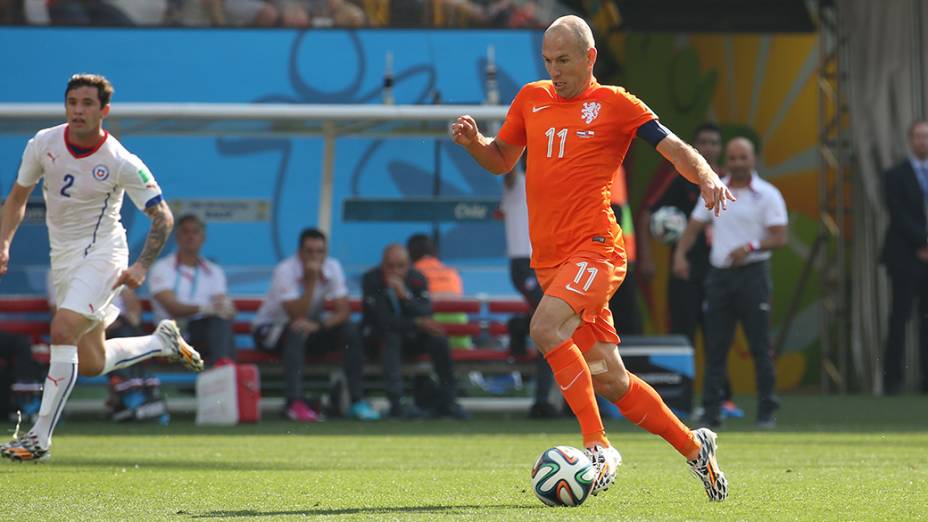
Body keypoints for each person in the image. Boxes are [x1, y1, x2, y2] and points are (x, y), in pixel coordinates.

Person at [451, 15, 733, 501]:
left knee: (544, 329)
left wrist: (706, 176)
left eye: (563, 60)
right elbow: (501, 159)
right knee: (611, 379)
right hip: (550, 260)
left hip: (597, 248)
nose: (554, 70)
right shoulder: (531, 98)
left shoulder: (616, 104)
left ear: (589, 58)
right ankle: (695, 448)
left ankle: (598, 447)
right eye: (548, 61)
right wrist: (475, 143)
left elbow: (674, 149)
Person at [0, 74, 203, 462]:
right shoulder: (43, 143)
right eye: (72, 102)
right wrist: (4, 242)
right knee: (91, 363)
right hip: (63, 257)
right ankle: (160, 342)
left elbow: (162, 217)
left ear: (104, 110)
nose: (78, 109)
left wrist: (141, 266)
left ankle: (39, 438)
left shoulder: (120, 160)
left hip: (105, 254)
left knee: (61, 328)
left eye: (87, 103)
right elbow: (16, 199)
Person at [674, 137, 787, 429]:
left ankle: (766, 411)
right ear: (727, 160)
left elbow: (779, 236)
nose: (738, 163)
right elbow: (693, 227)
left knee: (760, 346)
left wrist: (749, 247)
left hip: (753, 275)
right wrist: (680, 254)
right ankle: (712, 411)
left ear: (754, 160)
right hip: (720, 277)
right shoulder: (714, 189)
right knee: (715, 347)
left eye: (743, 157)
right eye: (733, 158)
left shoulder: (768, 195)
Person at [640, 123, 742, 419]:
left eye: (713, 142)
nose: (708, 147)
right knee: (682, 333)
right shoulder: (680, 177)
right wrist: (646, 257)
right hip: (685, 269)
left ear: (719, 147)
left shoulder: (729, 181)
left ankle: (723, 399)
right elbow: (649, 213)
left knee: (717, 335)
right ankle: (678, 400)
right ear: (694, 145)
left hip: (720, 272)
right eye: (703, 142)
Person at [252, 228, 377, 421]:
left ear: (326, 252)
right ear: (299, 252)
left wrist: (321, 326)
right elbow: (297, 314)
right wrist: (311, 281)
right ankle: (294, 403)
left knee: (350, 330)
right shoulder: (285, 270)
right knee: (297, 328)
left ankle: (356, 400)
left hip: (310, 329)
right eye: (309, 251)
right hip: (270, 332)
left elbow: (343, 311)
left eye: (320, 251)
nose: (314, 257)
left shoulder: (332, 266)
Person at [361, 244, 467, 419]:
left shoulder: (417, 278)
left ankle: (449, 400)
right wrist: (416, 322)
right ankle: (396, 403)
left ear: (408, 265)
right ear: (382, 265)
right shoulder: (371, 280)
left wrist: (405, 297)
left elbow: (426, 312)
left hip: (411, 339)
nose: (395, 271)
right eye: (390, 266)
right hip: (380, 341)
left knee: (437, 337)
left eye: (400, 266)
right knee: (391, 337)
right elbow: (383, 321)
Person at [500, 166, 557, 418]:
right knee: (551, 323)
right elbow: (507, 166)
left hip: (546, 260)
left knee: (555, 324)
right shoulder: (517, 181)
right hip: (524, 263)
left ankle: (519, 326)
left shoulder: (548, 182)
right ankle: (542, 400)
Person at [149, 214, 236, 366]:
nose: (190, 237)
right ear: (177, 237)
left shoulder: (214, 271)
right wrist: (206, 308)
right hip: (172, 333)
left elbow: (222, 305)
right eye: (185, 232)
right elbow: (173, 308)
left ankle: (221, 370)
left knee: (220, 322)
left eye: (195, 232)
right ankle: (223, 373)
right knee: (218, 326)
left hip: (203, 332)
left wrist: (227, 308)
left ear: (203, 238)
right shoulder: (162, 268)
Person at [880, 119, 928, 395]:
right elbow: (898, 214)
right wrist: (923, 241)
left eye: (926, 137)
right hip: (905, 255)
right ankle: (892, 382)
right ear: (910, 140)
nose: (923, 142)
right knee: (899, 317)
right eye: (918, 137)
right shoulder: (895, 175)